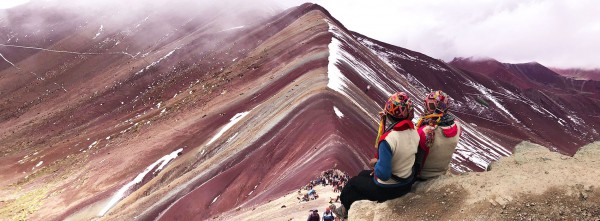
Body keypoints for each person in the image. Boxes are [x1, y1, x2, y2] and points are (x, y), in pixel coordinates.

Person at [330, 92, 421, 219]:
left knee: (352, 185)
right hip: (406, 181)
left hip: (392, 187)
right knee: (363, 174)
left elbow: (384, 175)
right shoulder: (414, 131)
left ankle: (344, 212)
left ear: (389, 115)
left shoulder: (388, 139)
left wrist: (375, 164)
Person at [415, 90, 461, 180]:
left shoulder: (424, 131)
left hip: (422, 175)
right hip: (442, 171)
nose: (425, 108)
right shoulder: (457, 126)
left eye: (429, 105)